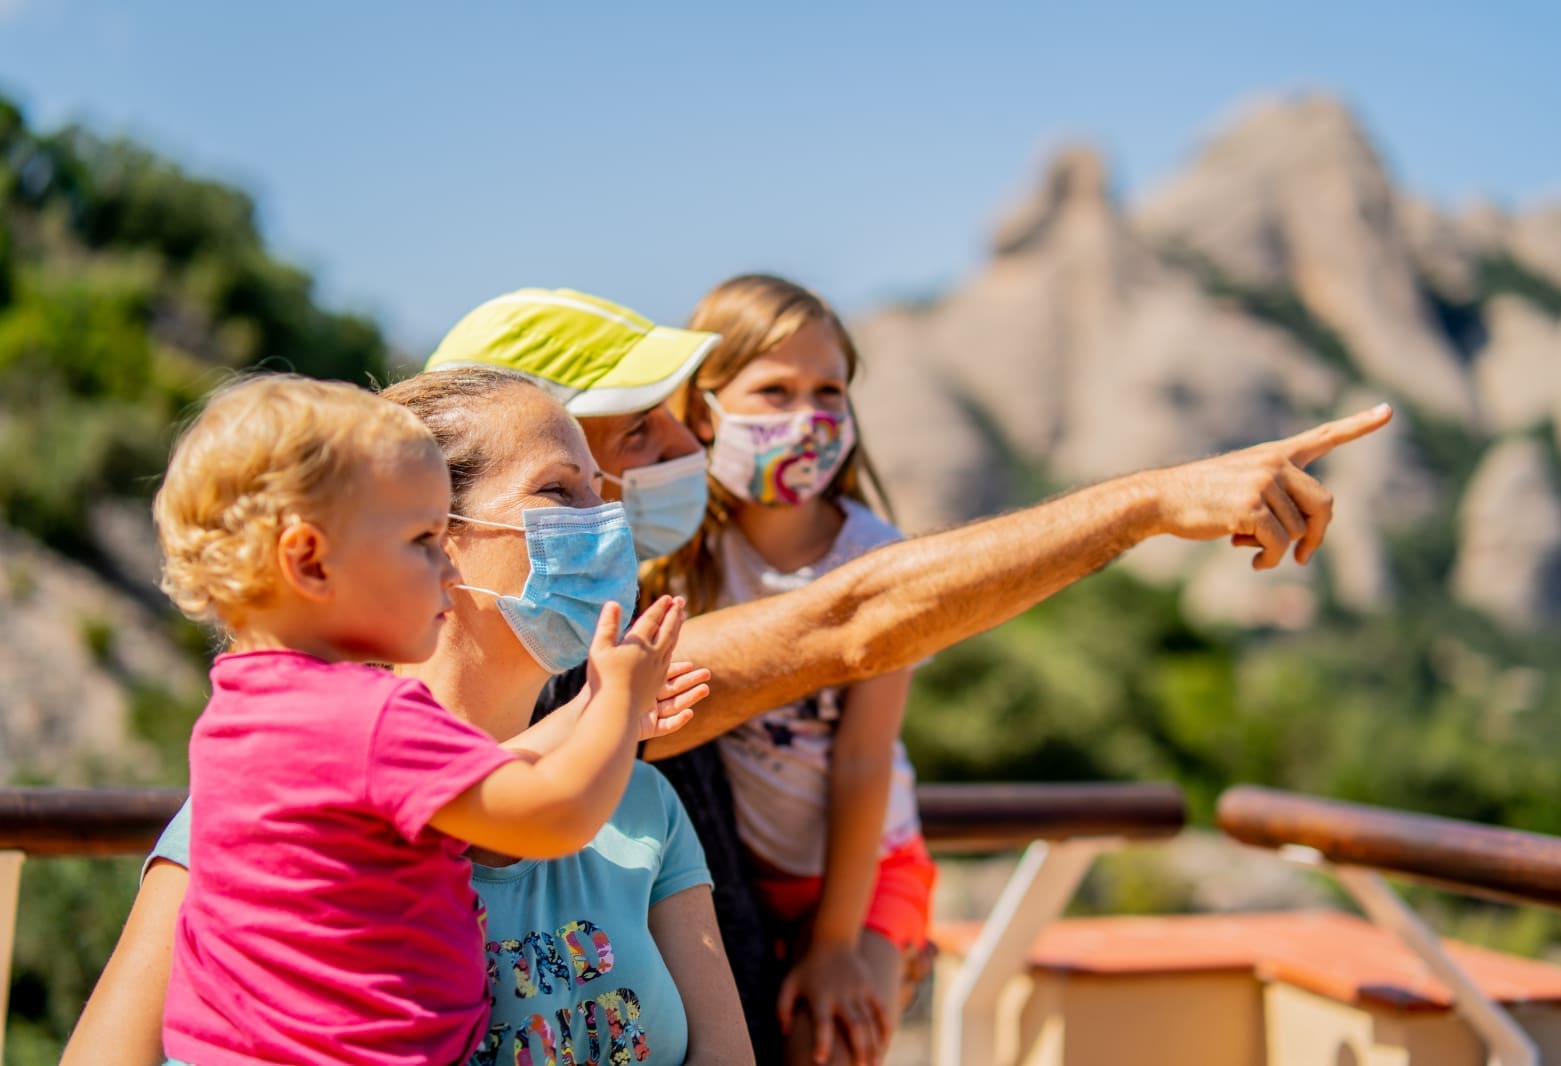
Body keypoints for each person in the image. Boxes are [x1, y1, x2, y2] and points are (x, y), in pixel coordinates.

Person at [68, 287, 1391, 1065]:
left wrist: (862, 938)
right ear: (434, 524)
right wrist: (1151, 500)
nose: (650, 483)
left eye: (653, 448)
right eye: (601, 459)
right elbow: (856, 619)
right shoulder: (289, 788)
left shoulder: (631, 758)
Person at [147, 374, 691, 1065]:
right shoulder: (370, 720)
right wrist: (613, 703)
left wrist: (587, 710)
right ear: (310, 559)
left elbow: (462, 773)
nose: (445, 567)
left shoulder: (243, 713)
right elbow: (554, 814)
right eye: (421, 540)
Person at [658, 275, 934, 1066]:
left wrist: (838, 942)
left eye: (828, 391)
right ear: (704, 409)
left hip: (866, 868)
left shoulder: (875, 558)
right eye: (773, 390)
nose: (805, 417)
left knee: (831, 1042)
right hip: (736, 871)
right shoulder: (681, 556)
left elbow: (863, 754)